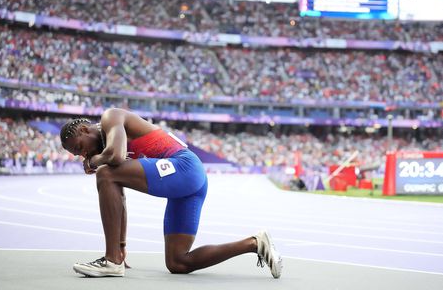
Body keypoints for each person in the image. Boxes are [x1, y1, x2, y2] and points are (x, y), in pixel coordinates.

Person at [60, 108, 282, 278]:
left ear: (84, 130)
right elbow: (118, 197)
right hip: (191, 183)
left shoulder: (111, 117)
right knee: (178, 262)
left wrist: (92, 161)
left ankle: (111, 262)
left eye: (80, 148)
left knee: (106, 173)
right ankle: (255, 243)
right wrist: (122, 246)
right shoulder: (106, 148)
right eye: (79, 155)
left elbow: (115, 157)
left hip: (184, 167)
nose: (83, 155)